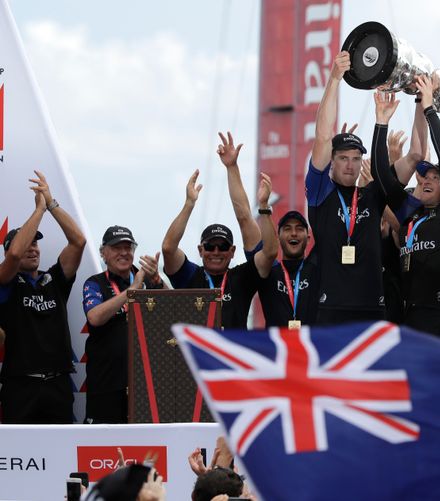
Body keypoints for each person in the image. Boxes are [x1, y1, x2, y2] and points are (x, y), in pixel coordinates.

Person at [371, 75, 440, 338]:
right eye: (423, 176)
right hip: (410, 323)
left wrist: (429, 109)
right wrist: (381, 123)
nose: (426, 180)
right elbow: (382, 179)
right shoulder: (411, 214)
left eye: (434, 177)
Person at [305, 51, 388, 323]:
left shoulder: (371, 193)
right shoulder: (322, 191)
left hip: (372, 310)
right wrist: (334, 79)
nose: (350, 165)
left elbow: (412, 161)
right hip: (331, 309)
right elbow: (323, 136)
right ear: (332, 161)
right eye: (343, 158)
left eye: (355, 159)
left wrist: (421, 105)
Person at [162, 132, 276, 328]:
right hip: (198, 357)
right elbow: (168, 248)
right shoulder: (191, 276)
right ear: (200, 250)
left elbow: (266, 247)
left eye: (222, 247)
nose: (216, 252)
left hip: (233, 356)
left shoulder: (241, 278)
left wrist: (232, 168)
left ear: (232, 252)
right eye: (210, 247)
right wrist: (189, 204)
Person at [0, 171, 86, 424]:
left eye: (36, 244)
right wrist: (38, 211)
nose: (33, 248)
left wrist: (51, 204)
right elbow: (14, 255)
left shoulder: (54, 279)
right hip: (20, 386)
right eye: (28, 243)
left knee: (62, 454)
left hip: (57, 385)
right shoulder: (7, 280)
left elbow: (78, 241)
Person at [82, 226, 164, 424]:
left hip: (145, 384)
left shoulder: (147, 279)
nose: (124, 253)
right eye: (116, 247)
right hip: (106, 384)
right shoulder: (95, 283)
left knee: (145, 447)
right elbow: (95, 317)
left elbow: (173, 312)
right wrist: (132, 292)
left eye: (128, 247)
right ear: (103, 253)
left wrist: (158, 281)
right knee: (103, 447)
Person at [255, 209, 319, 328]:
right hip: (277, 345)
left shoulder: (317, 270)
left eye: (299, 229)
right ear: (278, 238)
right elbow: (246, 223)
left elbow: (328, 232)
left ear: (308, 238)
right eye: (287, 228)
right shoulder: (268, 272)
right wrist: (264, 207)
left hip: (310, 345)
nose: (294, 233)